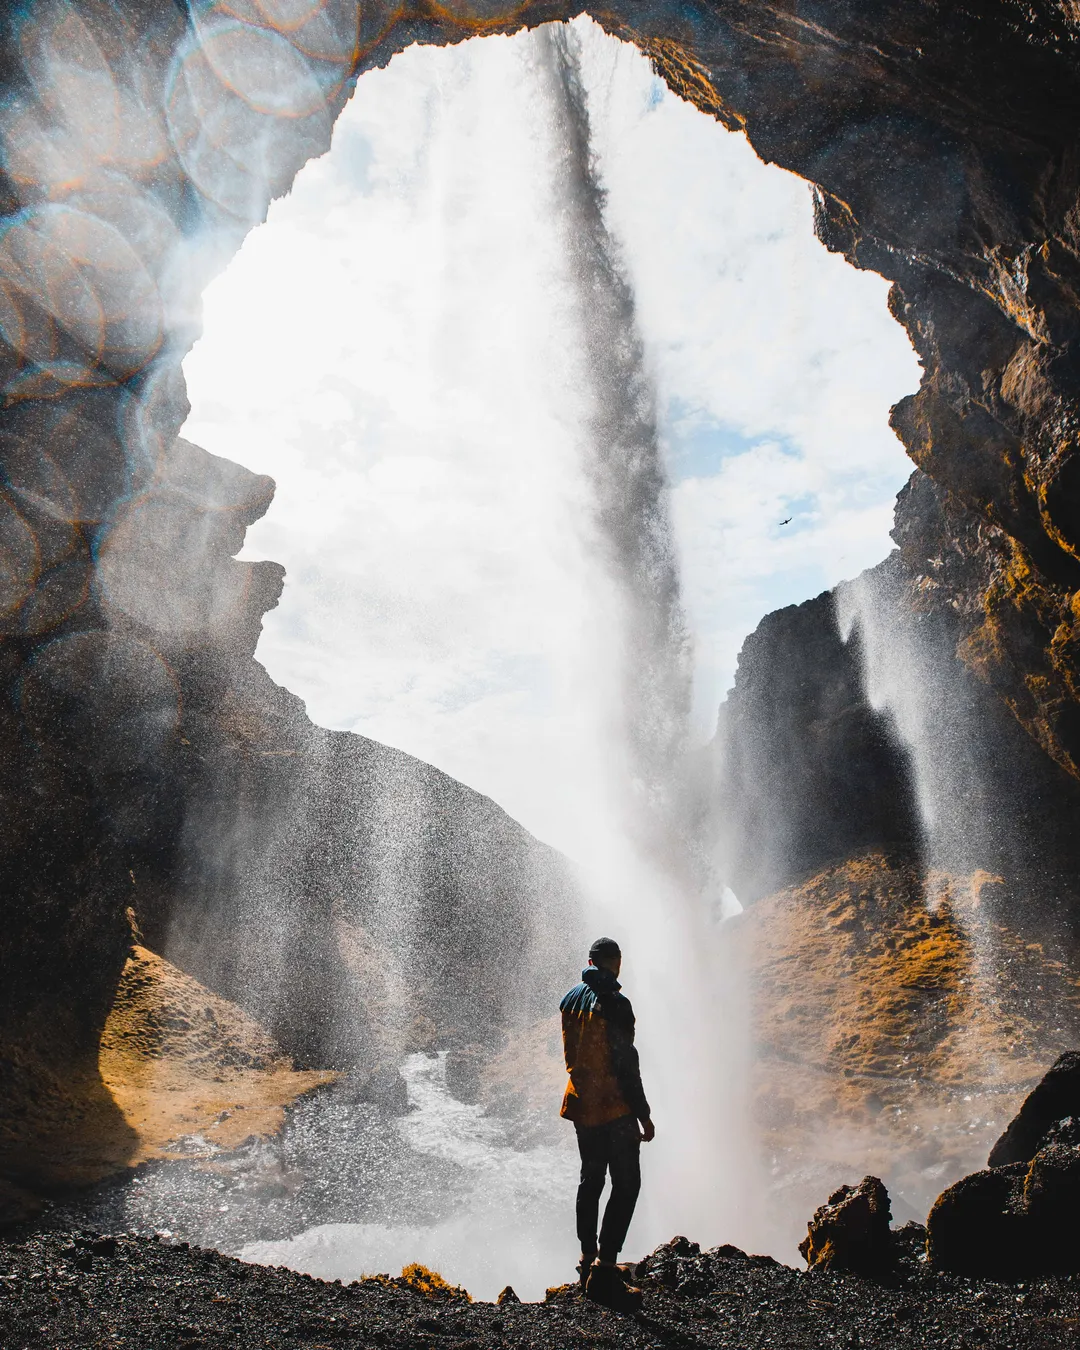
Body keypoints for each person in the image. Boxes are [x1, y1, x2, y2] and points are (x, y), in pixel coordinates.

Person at [560, 936, 654, 1310]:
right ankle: (606, 1270)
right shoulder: (615, 1004)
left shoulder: (570, 998)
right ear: (614, 962)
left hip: (582, 1105)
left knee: (591, 1178)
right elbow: (626, 1065)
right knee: (627, 1183)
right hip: (614, 1109)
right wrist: (643, 1114)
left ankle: (587, 1259)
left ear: (589, 961)